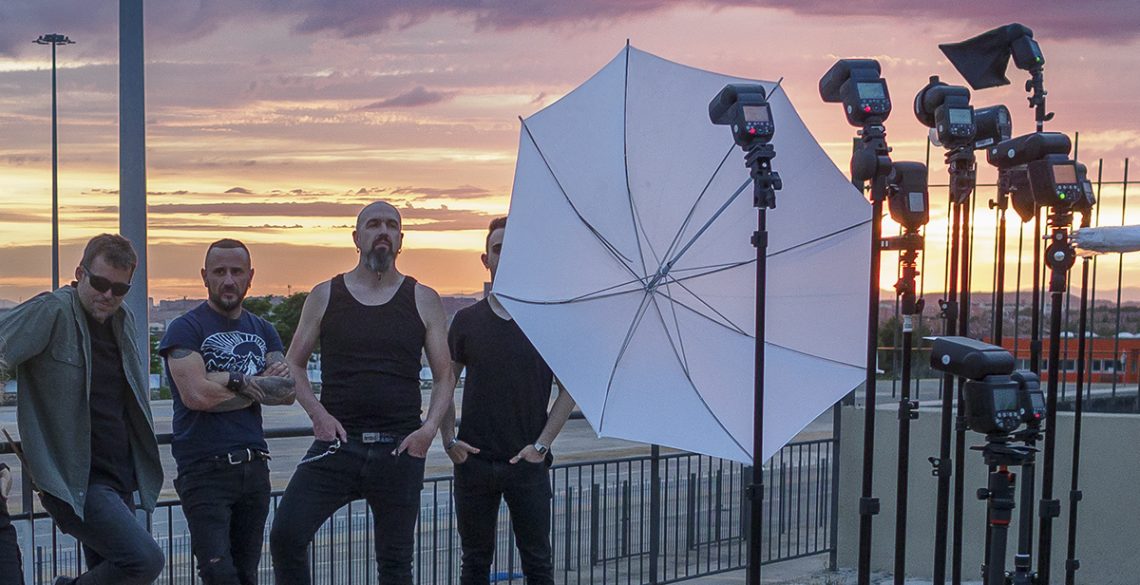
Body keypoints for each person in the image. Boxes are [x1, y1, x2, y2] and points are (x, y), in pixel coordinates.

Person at [269, 201, 457, 585]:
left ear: (401, 240)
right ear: (357, 238)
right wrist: (318, 416)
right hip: (338, 445)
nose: (383, 231)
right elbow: (295, 365)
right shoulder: (325, 295)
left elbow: (445, 376)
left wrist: (428, 432)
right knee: (286, 535)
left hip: (400, 448)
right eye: (373, 224)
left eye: (391, 225)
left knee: (395, 564)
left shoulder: (424, 298)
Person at [0, 234, 164, 585]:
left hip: (119, 478)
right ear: (80, 273)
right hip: (77, 481)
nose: (108, 295)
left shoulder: (125, 321)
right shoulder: (53, 310)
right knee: (144, 561)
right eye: (100, 283)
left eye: (119, 289)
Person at [443, 216, 576, 585]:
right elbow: (445, 382)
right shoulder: (466, 321)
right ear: (485, 259)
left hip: (528, 465)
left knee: (538, 564)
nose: (506, 255)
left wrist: (541, 445)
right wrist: (449, 440)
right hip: (474, 464)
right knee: (474, 563)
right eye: (498, 248)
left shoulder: (546, 321)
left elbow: (569, 391)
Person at [160, 239, 295, 585]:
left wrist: (228, 381)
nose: (229, 280)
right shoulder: (185, 329)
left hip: (254, 468)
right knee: (218, 573)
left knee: (247, 574)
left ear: (251, 277)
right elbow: (196, 396)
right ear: (205, 277)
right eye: (220, 272)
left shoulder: (263, 329)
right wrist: (249, 383)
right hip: (205, 472)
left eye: (237, 272)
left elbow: (287, 392)